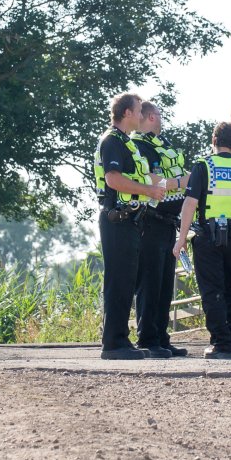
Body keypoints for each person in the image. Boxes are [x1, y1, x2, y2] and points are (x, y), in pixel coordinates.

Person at [93, 93, 166, 360]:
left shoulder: (127, 143)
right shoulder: (112, 140)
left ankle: (121, 338)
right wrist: (148, 189)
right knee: (118, 281)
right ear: (126, 113)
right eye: (137, 111)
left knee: (126, 281)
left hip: (130, 220)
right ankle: (113, 343)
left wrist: (176, 183)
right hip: (117, 218)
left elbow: (143, 176)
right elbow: (113, 179)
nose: (141, 114)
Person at [172, 122, 231, 359]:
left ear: (214, 140)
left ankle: (221, 344)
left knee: (213, 290)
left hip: (210, 235)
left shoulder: (204, 166)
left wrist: (181, 238)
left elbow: (190, 203)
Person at [131, 102, 190, 358]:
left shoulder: (162, 144)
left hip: (168, 221)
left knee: (165, 283)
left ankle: (162, 338)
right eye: (161, 116)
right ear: (152, 116)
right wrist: (180, 183)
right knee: (150, 283)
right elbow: (146, 177)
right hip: (150, 220)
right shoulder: (137, 145)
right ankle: (147, 339)